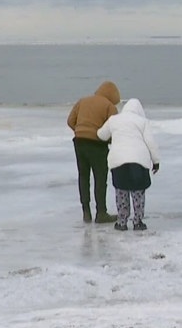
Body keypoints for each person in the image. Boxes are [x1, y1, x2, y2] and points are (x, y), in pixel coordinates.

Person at [97, 98, 161, 231]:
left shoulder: (114, 120)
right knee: (138, 192)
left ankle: (122, 222)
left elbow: (101, 135)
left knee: (121, 191)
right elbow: (151, 143)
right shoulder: (142, 122)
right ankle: (138, 222)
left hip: (118, 160)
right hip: (138, 161)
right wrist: (156, 162)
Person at [67, 80, 121, 224]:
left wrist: (81, 131)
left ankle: (86, 211)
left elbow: (70, 121)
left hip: (79, 142)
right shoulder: (109, 107)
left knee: (83, 176)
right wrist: (108, 141)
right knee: (100, 178)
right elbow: (113, 129)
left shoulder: (83, 101)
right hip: (97, 145)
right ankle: (101, 213)